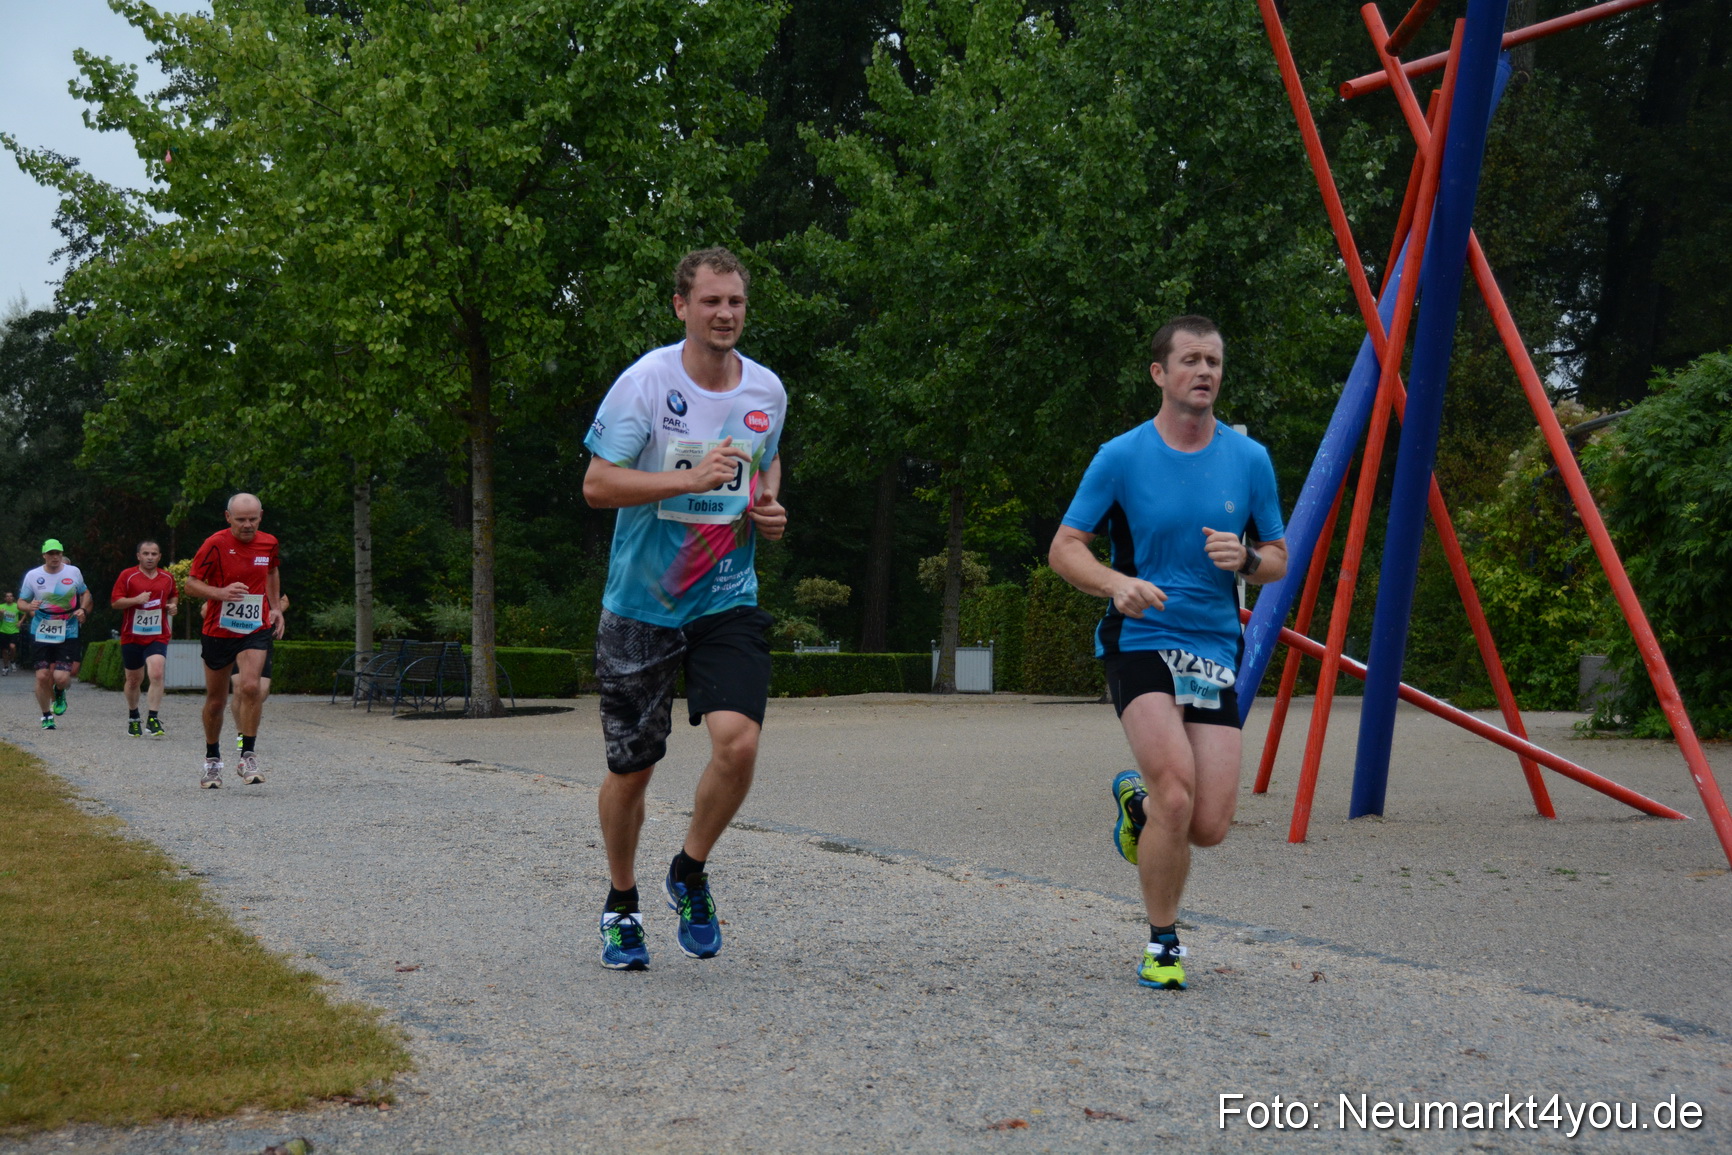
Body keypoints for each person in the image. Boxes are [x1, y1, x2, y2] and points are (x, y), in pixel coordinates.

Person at [1048, 315, 1289, 990]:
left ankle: (1138, 809)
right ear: (1160, 373)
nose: (1204, 371)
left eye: (1214, 361)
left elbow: (1278, 558)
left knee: (1207, 825)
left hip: (1214, 646)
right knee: (1177, 792)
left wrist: (1247, 559)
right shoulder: (1121, 456)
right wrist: (1115, 583)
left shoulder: (1250, 459)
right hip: (1142, 636)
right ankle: (1164, 945)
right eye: (1191, 360)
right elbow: (1065, 546)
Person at [581, 246, 787, 970]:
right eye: (711, 301)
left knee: (739, 743)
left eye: (735, 302)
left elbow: (766, 459)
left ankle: (689, 870)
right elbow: (597, 485)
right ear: (681, 306)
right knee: (633, 769)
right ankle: (621, 902)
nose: (725, 314)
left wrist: (766, 502)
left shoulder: (766, 389)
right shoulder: (646, 383)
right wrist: (687, 481)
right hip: (642, 604)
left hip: (727, 596)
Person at [183, 494, 285, 788]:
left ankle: (247, 755)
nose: (247, 525)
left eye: (253, 519)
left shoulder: (269, 543)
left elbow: (272, 571)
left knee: (252, 686)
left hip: (254, 627)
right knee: (216, 701)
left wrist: (275, 608)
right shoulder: (214, 544)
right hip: (219, 630)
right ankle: (212, 760)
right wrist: (220, 593)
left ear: (261, 516)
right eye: (241, 519)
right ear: (228, 518)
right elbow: (190, 584)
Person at [18, 539, 92, 730]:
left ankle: (59, 691)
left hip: (68, 629)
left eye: (58, 553)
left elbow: (85, 593)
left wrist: (83, 609)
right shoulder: (33, 575)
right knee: (42, 676)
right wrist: (29, 606)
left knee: (62, 678)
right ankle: (46, 716)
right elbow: (21, 602)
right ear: (44, 555)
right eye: (51, 553)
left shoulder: (73, 572)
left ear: (62, 554)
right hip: (41, 630)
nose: (55, 557)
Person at [111, 539, 179, 737]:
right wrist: (136, 600)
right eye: (146, 554)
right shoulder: (128, 576)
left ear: (159, 556)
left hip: (158, 634)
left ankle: (153, 718)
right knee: (134, 680)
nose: (150, 557)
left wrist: (172, 606)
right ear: (138, 556)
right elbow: (115, 602)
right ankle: (134, 716)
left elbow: (173, 595)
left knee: (157, 672)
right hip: (132, 635)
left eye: (154, 554)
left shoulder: (167, 577)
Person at [0, 590, 21, 673]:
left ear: (13, 598)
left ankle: (12, 660)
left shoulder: (17, 606)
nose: (9, 597)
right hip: (3, 630)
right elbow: (0, 619)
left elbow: (26, 612)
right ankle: (5, 667)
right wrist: (1, 614)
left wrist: (20, 621)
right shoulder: (1, 606)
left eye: (10, 596)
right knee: (4, 650)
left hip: (14, 631)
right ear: (5, 598)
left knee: (12, 647)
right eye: (7, 596)